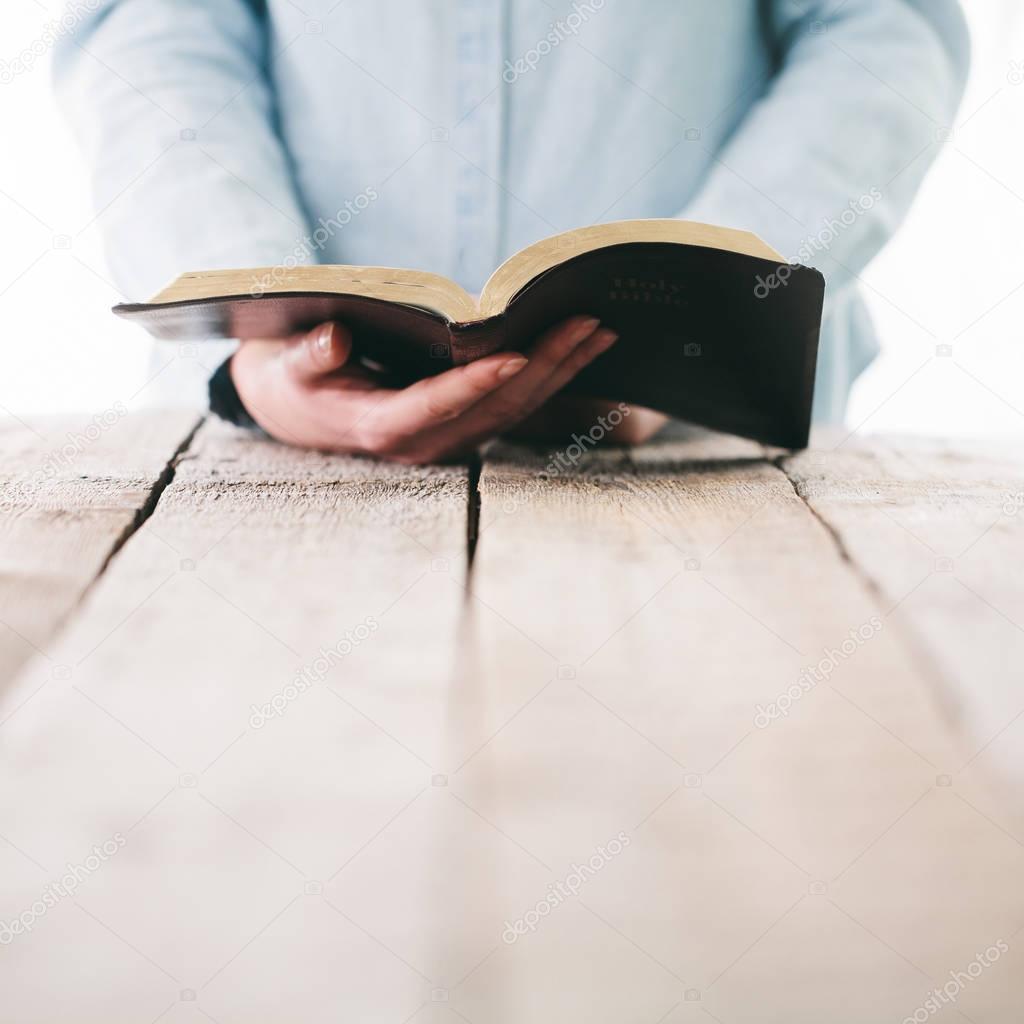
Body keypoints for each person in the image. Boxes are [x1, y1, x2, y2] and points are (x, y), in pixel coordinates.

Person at [54, 0, 969, 463]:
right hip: (266, 443)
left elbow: (882, 30)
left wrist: (696, 327)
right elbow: (151, 24)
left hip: (709, 453)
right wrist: (256, 333)